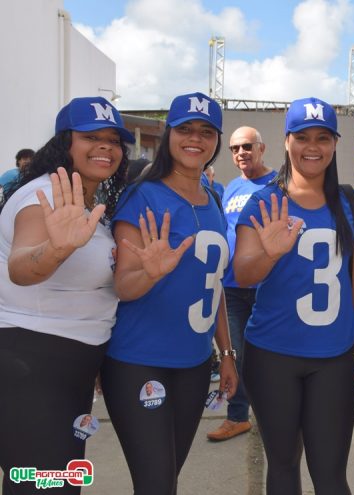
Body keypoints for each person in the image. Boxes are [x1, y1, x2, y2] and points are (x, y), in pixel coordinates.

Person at [232, 97, 354, 495]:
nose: (313, 146)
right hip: (272, 353)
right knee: (282, 466)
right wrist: (270, 251)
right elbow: (243, 273)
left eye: (323, 138)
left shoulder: (349, 203)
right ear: (287, 141)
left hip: (332, 358)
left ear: (334, 144)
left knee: (330, 475)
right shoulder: (265, 201)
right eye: (303, 137)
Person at [100, 92, 238, 495]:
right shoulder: (143, 196)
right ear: (168, 135)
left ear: (216, 140)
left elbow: (214, 285)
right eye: (185, 129)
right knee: (157, 483)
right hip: (139, 362)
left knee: (166, 479)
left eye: (206, 131)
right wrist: (151, 272)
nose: (195, 139)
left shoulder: (212, 200)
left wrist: (226, 352)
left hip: (195, 365)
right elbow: (123, 287)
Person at [0, 96, 132, 494]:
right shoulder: (43, 197)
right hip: (33, 364)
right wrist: (58, 249)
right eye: (92, 136)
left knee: (56, 482)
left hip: (68, 368)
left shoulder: (88, 202)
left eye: (114, 139)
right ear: (64, 142)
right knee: (43, 486)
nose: (105, 147)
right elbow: (22, 268)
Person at [207, 126, 276, 442]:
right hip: (232, 289)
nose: (241, 153)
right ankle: (238, 416)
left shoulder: (278, 185)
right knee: (234, 356)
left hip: (268, 287)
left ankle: (277, 413)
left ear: (261, 148)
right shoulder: (231, 188)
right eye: (234, 149)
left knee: (270, 358)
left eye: (247, 146)